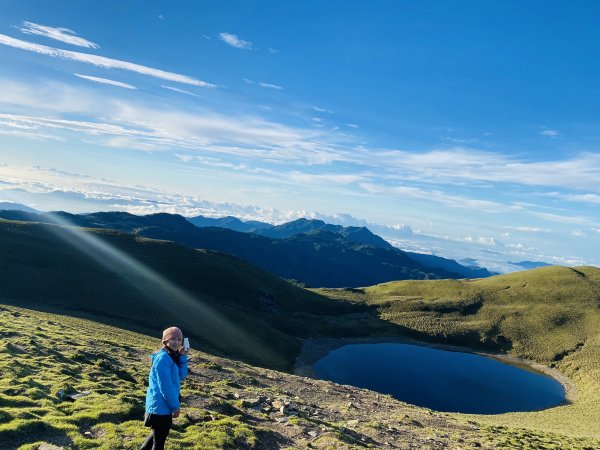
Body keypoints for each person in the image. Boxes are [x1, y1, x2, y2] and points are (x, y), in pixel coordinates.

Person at [140, 327, 189, 450]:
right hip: (160, 407)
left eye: (179, 339)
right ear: (165, 341)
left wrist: (182, 357)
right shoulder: (163, 358)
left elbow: (181, 375)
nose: (176, 342)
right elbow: (165, 386)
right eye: (172, 338)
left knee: (155, 436)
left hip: (162, 406)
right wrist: (175, 406)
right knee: (159, 444)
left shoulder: (172, 356)